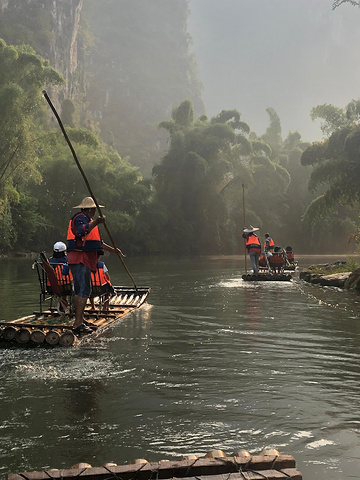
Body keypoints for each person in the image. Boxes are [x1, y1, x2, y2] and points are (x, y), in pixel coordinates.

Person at [67, 196, 123, 335]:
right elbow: (81, 231)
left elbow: (98, 243)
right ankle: (78, 323)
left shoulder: (88, 220)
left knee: (80, 290)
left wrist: (113, 251)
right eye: (93, 210)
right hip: (81, 259)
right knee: (84, 291)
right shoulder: (81, 219)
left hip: (79, 259)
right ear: (90, 209)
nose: (94, 212)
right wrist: (97, 222)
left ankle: (80, 319)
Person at [47, 241, 73, 307]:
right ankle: (65, 303)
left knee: (60, 285)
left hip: (51, 287)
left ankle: (61, 303)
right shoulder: (69, 260)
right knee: (67, 285)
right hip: (67, 287)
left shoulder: (49, 261)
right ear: (64, 251)